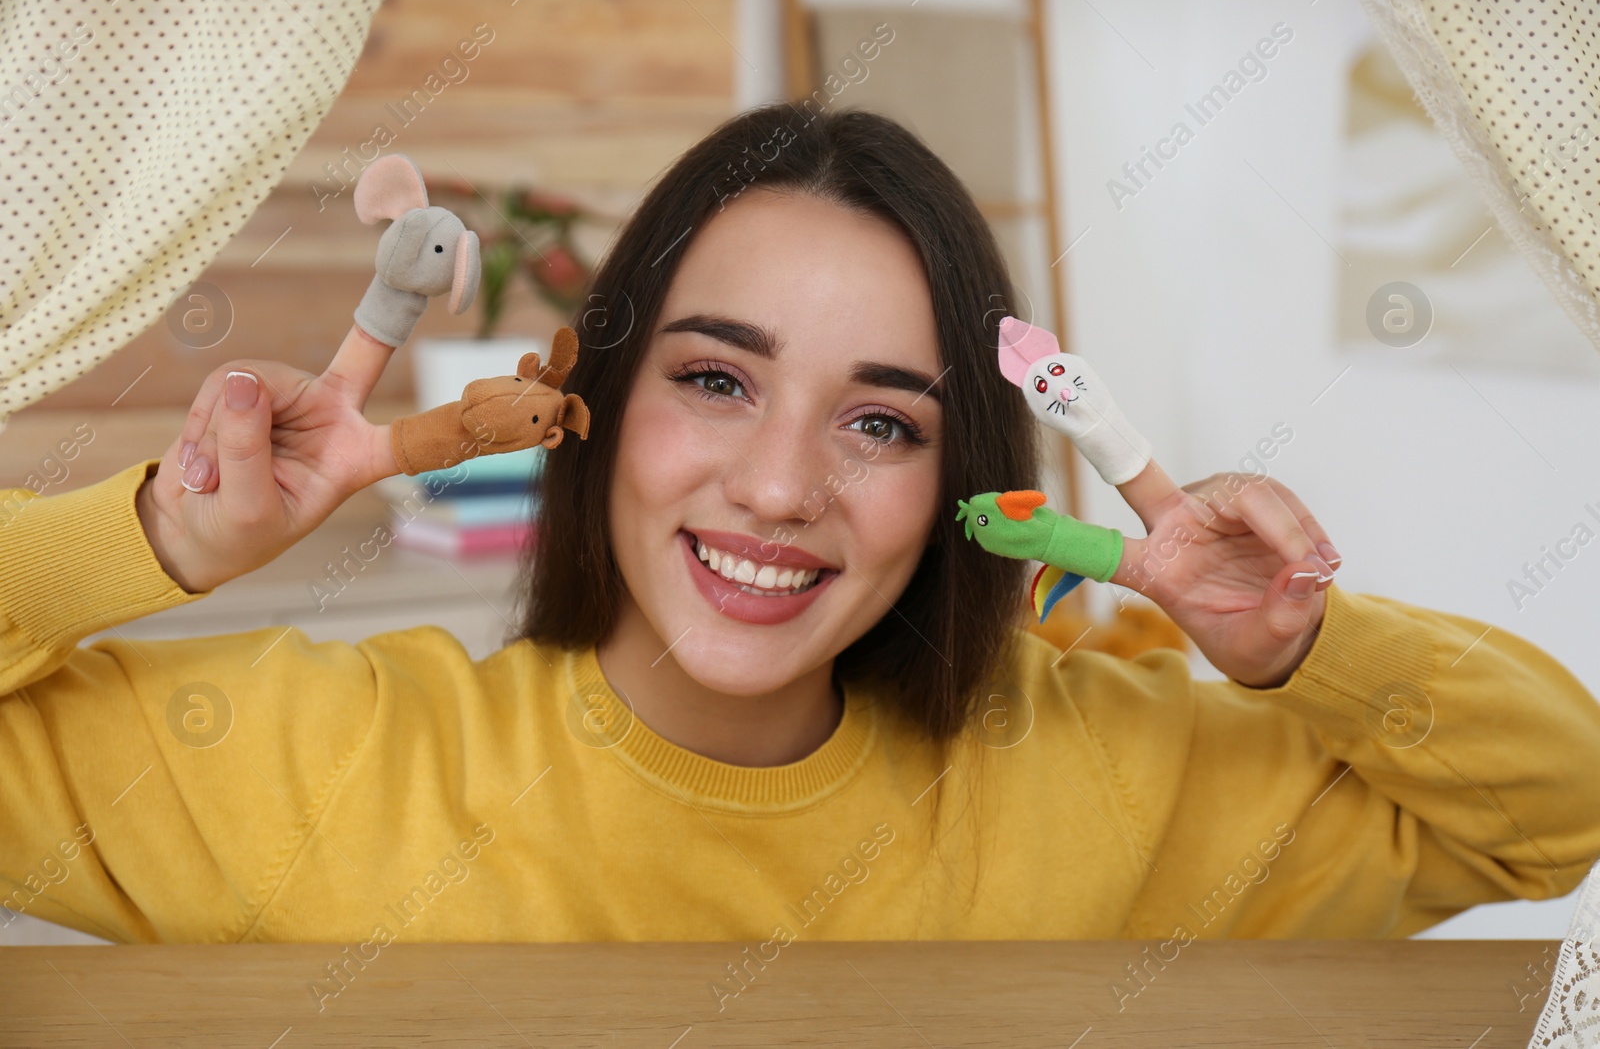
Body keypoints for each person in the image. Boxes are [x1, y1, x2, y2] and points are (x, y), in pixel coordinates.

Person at [3, 107, 1598, 980]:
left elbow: (1556, 810)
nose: (778, 489)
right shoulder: (328, 763)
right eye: (715, 381)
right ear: (598, 411)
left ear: (962, 479)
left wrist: (1303, 639)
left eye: (882, 421)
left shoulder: (1118, 779)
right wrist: (161, 535)